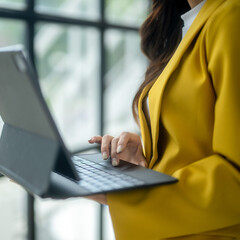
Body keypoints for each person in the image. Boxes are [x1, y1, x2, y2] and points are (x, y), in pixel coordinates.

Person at [87, 0, 240, 239]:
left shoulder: (232, 16)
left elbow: (235, 173)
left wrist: (129, 197)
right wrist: (146, 151)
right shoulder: (185, 26)